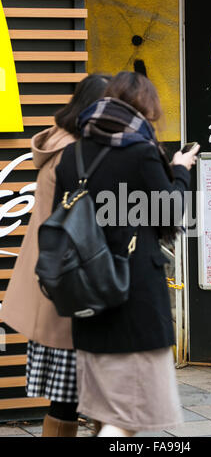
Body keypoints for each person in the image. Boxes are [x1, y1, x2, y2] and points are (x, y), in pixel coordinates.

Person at [52, 71, 199, 437]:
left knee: (113, 412)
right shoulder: (140, 153)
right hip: (135, 304)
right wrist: (180, 171)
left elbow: (62, 219)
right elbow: (171, 213)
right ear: (143, 108)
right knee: (125, 419)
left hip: (88, 300)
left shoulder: (72, 156)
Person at [0, 74, 111, 437]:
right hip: (75, 286)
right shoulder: (80, 154)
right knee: (90, 397)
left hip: (53, 283)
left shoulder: (59, 143)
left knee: (73, 398)